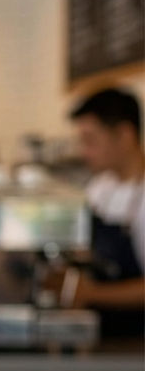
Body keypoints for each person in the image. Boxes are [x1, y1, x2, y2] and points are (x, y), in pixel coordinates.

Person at [61, 88, 145, 337]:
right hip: (106, 332)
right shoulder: (100, 187)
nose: (84, 152)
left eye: (90, 141)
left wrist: (89, 293)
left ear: (124, 135)